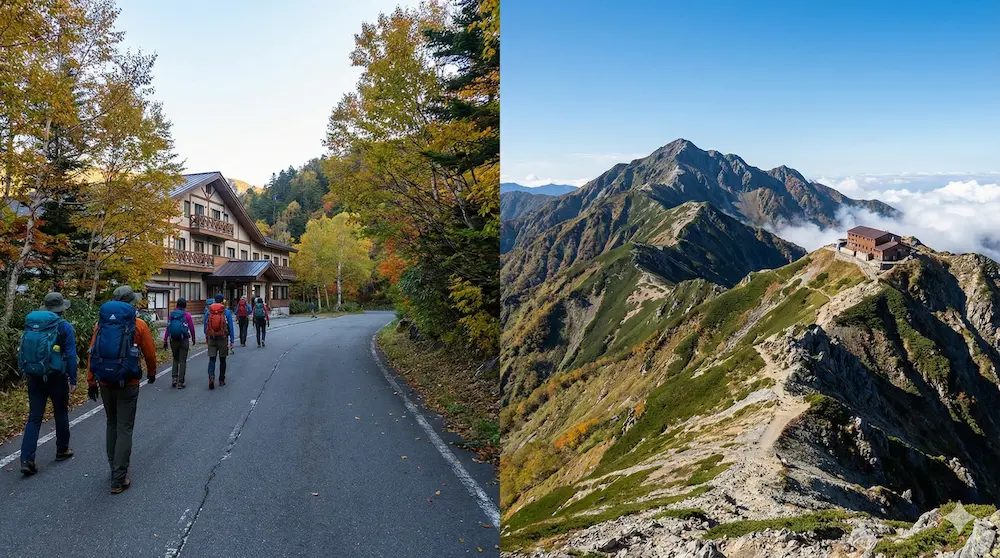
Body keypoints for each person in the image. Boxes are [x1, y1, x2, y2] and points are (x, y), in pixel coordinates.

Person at [87, 286, 157, 494]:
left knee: (111, 423)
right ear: (131, 303)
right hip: (129, 383)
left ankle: (113, 468)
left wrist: (91, 381)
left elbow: (93, 352)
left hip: (105, 382)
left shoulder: (100, 324)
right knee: (125, 427)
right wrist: (152, 373)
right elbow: (150, 354)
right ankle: (119, 477)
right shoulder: (139, 325)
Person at [18, 292, 77, 476]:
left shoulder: (32, 324)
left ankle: (27, 459)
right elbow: (70, 356)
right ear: (61, 308)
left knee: (34, 418)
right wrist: (73, 379)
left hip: (34, 376)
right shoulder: (64, 327)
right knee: (60, 411)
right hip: (57, 377)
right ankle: (62, 449)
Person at [162, 298, 197, 389]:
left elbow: (168, 328)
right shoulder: (187, 315)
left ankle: (174, 378)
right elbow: (192, 328)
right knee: (182, 361)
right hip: (184, 340)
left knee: (175, 359)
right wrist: (193, 338)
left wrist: (165, 340)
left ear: (177, 305)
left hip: (173, 340)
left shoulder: (172, 315)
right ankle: (180, 382)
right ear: (185, 306)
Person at [204, 293, 234, 389]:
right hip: (223, 338)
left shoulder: (209, 312)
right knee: (222, 360)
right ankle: (221, 380)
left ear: (214, 301)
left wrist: (207, 337)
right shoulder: (226, 312)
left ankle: (211, 376)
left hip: (212, 338)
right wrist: (232, 340)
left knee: (212, 359)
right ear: (223, 301)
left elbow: (205, 325)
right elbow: (230, 327)